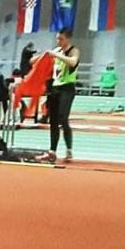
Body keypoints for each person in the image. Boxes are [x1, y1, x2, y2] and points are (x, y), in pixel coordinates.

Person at [44, 28, 80, 162]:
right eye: (57, 39)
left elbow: (73, 62)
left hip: (67, 88)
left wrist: (56, 55)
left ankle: (69, 149)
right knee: (53, 120)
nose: (58, 41)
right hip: (55, 88)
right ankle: (52, 150)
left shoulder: (74, 50)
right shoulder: (57, 50)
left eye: (61, 39)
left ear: (68, 39)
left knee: (63, 118)